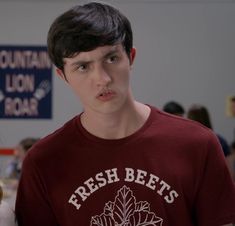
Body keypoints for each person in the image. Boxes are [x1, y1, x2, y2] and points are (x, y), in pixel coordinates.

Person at [15, 2, 235, 226]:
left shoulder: (197, 144)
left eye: (111, 59)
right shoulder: (43, 162)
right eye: (82, 67)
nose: (103, 79)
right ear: (63, 76)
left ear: (131, 57)